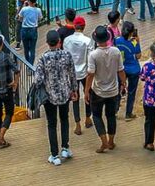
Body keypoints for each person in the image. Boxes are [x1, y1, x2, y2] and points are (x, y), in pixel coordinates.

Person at [36, 29, 77, 166]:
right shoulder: (67, 55)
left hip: (50, 96)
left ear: (47, 43)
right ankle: (65, 148)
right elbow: (72, 74)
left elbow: (38, 80)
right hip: (65, 94)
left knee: (52, 124)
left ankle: (54, 155)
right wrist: (74, 90)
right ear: (59, 41)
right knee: (64, 119)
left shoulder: (43, 58)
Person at [85, 25, 126, 153]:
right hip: (113, 90)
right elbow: (121, 70)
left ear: (96, 40)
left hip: (98, 90)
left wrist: (86, 90)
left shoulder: (94, 55)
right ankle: (111, 141)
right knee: (111, 116)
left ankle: (103, 143)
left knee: (97, 116)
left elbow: (91, 74)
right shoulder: (116, 51)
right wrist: (124, 83)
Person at [64, 16, 94, 135]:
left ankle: (77, 125)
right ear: (84, 26)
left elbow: (66, 58)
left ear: (74, 27)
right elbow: (90, 58)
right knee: (88, 95)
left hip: (72, 73)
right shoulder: (88, 41)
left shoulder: (67, 40)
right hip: (85, 72)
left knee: (75, 98)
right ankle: (88, 118)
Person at [115, 20, 142, 120]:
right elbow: (139, 56)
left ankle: (115, 110)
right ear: (131, 33)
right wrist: (138, 42)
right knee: (131, 92)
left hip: (121, 69)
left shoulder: (116, 41)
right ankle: (128, 113)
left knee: (117, 89)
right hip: (133, 70)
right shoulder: (134, 42)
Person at [16, 0, 42, 65]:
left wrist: (24, 6)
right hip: (33, 30)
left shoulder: (24, 9)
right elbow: (40, 19)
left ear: (29, 1)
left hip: (24, 30)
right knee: (32, 50)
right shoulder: (38, 10)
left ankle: (28, 65)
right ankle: (30, 67)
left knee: (26, 49)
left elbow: (19, 18)